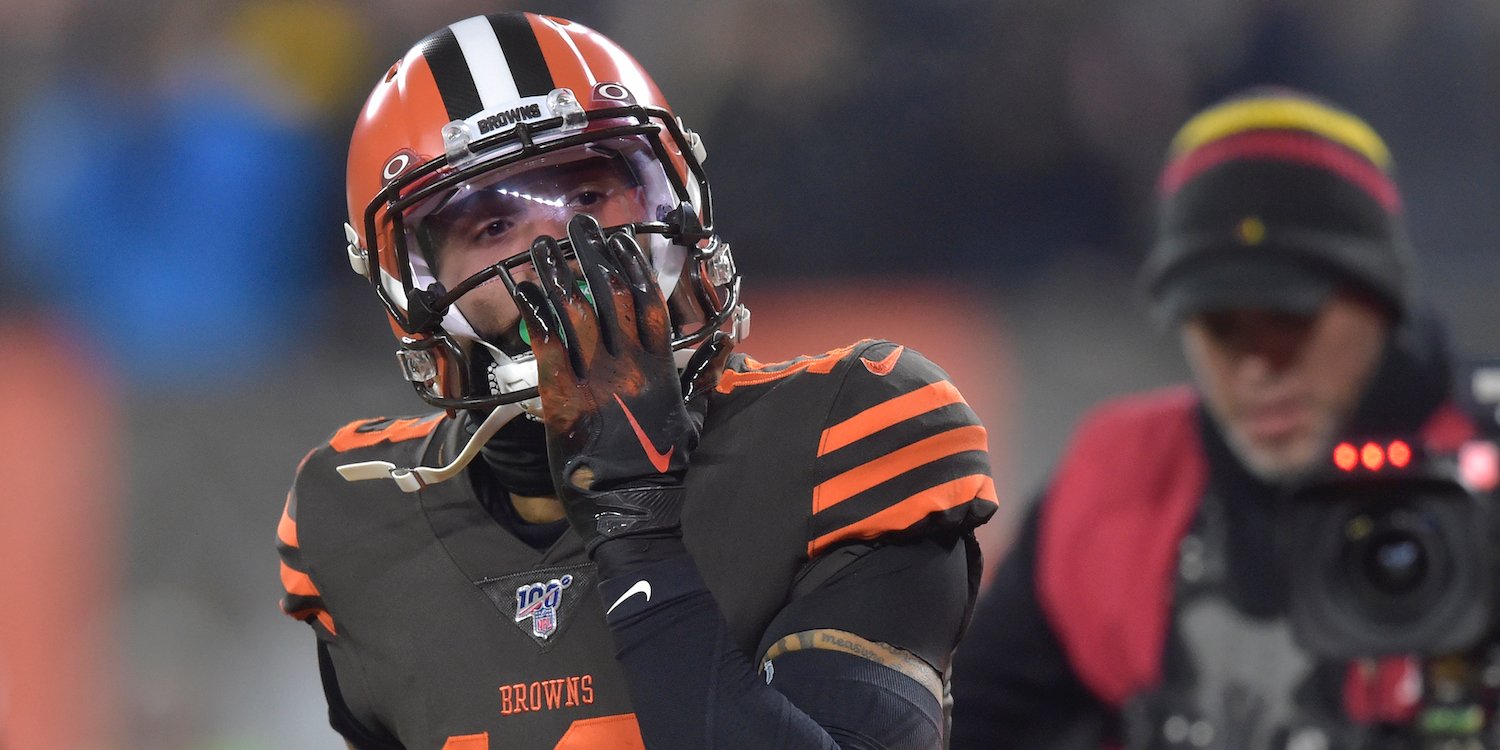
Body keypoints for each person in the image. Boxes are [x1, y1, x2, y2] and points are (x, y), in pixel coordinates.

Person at [276, 12, 997, 750]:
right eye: (492, 229)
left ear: (672, 200)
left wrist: (638, 530)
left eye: (587, 198)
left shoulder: (847, 431)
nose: (558, 249)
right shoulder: (354, 522)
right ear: (411, 289)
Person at [950, 88, 1480, 749]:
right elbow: (971, 721)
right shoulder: (1120, 476)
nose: (1256, 366)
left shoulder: (1482, 475)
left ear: (1383, 296)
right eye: (1220, 325)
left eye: (1290, 318)